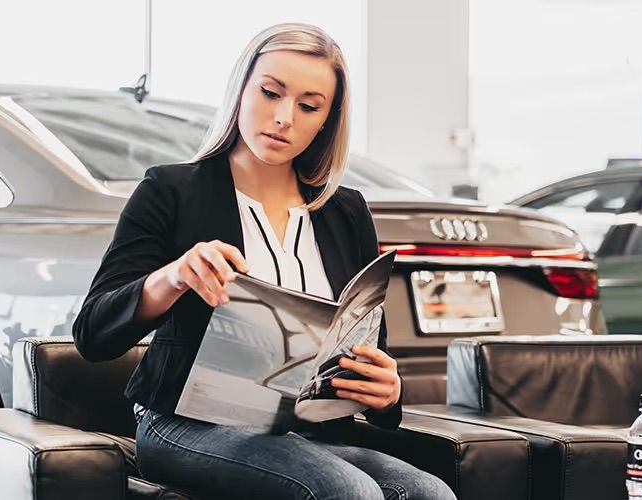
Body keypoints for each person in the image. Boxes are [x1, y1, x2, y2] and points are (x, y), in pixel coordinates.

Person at [70, 23, 455, 500]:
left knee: (429, 493)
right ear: (241, 90)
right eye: (271, 93)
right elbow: (92, 334)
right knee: (347, 491)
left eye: (308, 106)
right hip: (187, 425)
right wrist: (173, 277)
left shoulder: (346, 211)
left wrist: (387, 389)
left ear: (326, 121)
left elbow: (367, 343)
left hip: (308, 430)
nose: (283, 118)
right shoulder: (170, 191)